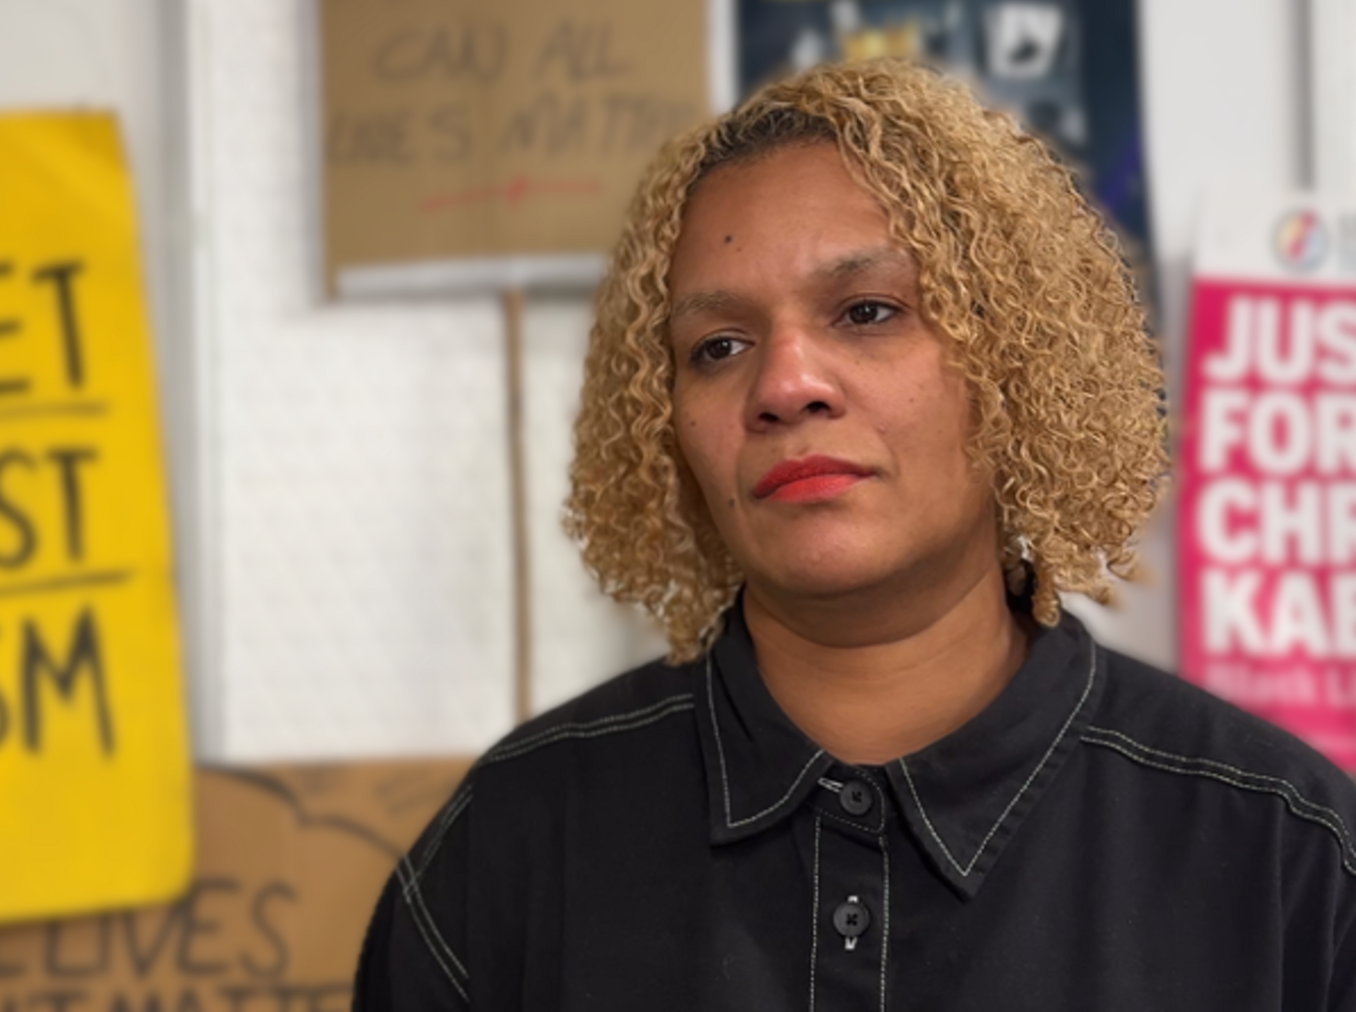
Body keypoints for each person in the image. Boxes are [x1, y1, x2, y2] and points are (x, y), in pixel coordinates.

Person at [353, 59, 1356, 1010]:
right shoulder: (511, 844)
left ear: (1013, 362)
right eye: (719, 346)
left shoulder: (1288, 854)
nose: (786, 384)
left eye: (868, 309)